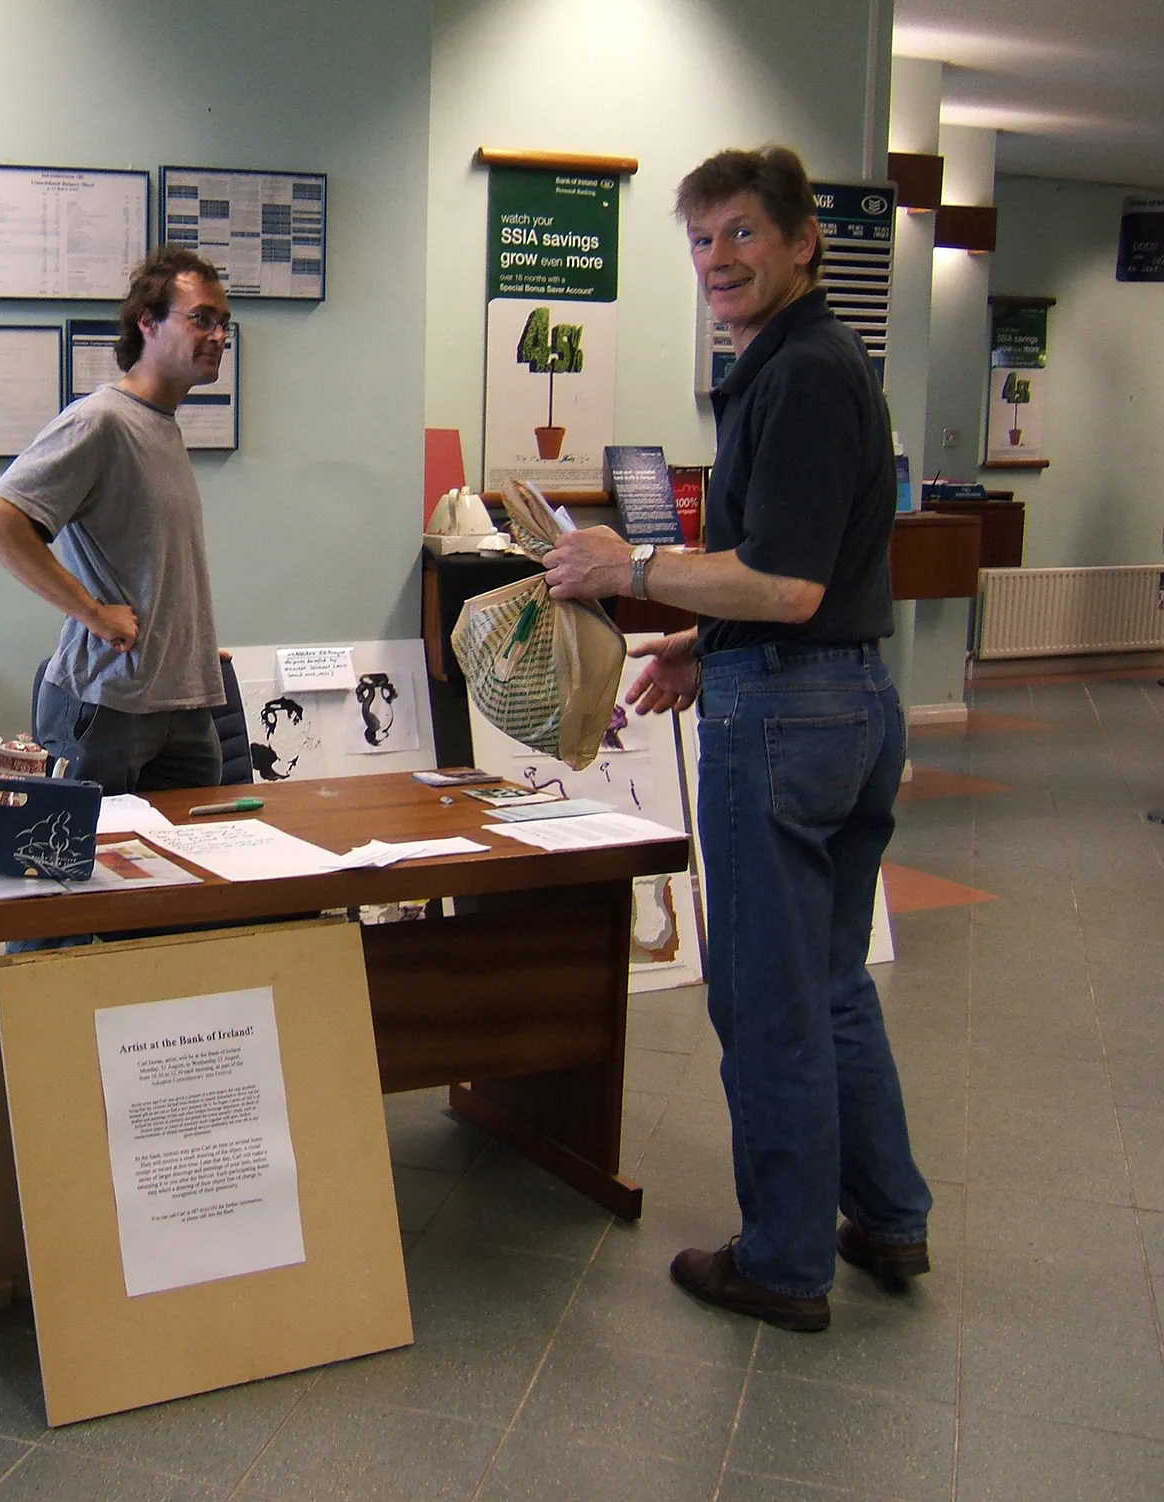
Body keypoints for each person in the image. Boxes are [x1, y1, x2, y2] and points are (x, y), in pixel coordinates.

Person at [542, 146, 931, 1333]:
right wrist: (702, 647)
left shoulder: (800, 373)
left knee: (768, 997)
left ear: (802, 241)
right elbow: (806, 580)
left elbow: (788, 584)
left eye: (741, 233)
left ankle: (781, 1261)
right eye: (701, 239)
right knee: (829, 981)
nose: (716, 259)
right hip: (841, 699)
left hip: (791, 719)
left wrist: (631, 567)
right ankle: (886, 1215)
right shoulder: (806, 362)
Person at [0, 246, 230, 794]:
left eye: (223, 323)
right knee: (89, 849)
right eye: (201, 318)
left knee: (198, 848)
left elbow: (148, 564)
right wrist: (93, 613)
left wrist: (185, 643)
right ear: (147, 323)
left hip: (182, 700)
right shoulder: (101, 421)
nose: (217, 336)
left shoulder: (161, 425)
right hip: (109, 701)